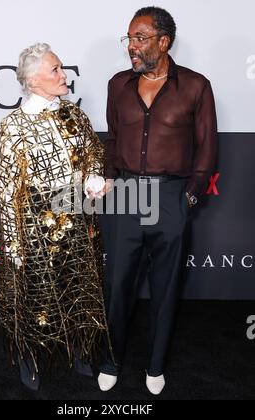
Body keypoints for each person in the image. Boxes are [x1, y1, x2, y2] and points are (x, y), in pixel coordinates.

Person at [98, 6, 217, 395]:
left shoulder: (196, 86)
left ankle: (155, 365)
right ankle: (111, 360)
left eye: (140, 38)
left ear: (163, 42)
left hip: (170, 195)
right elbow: (113, 141)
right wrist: (111, 185)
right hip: (126, 195)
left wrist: (189, 202)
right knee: (117, 286)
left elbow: (206, 152)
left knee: (165, 289)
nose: (131, 46)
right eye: (129, 38)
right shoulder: (117, 84)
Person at [0, 43, 111, 390]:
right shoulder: (14, 125)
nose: (65, 76)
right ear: (33, 80)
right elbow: (6, 189)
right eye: (56, 70)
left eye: (62, 68)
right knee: (37, 294)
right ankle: (29, 354)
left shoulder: (74, 115)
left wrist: (92, 176)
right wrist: (14, 242)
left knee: (78, 285)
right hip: (35, 223)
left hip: (77, 218)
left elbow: (93, 150)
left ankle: (79, 348)